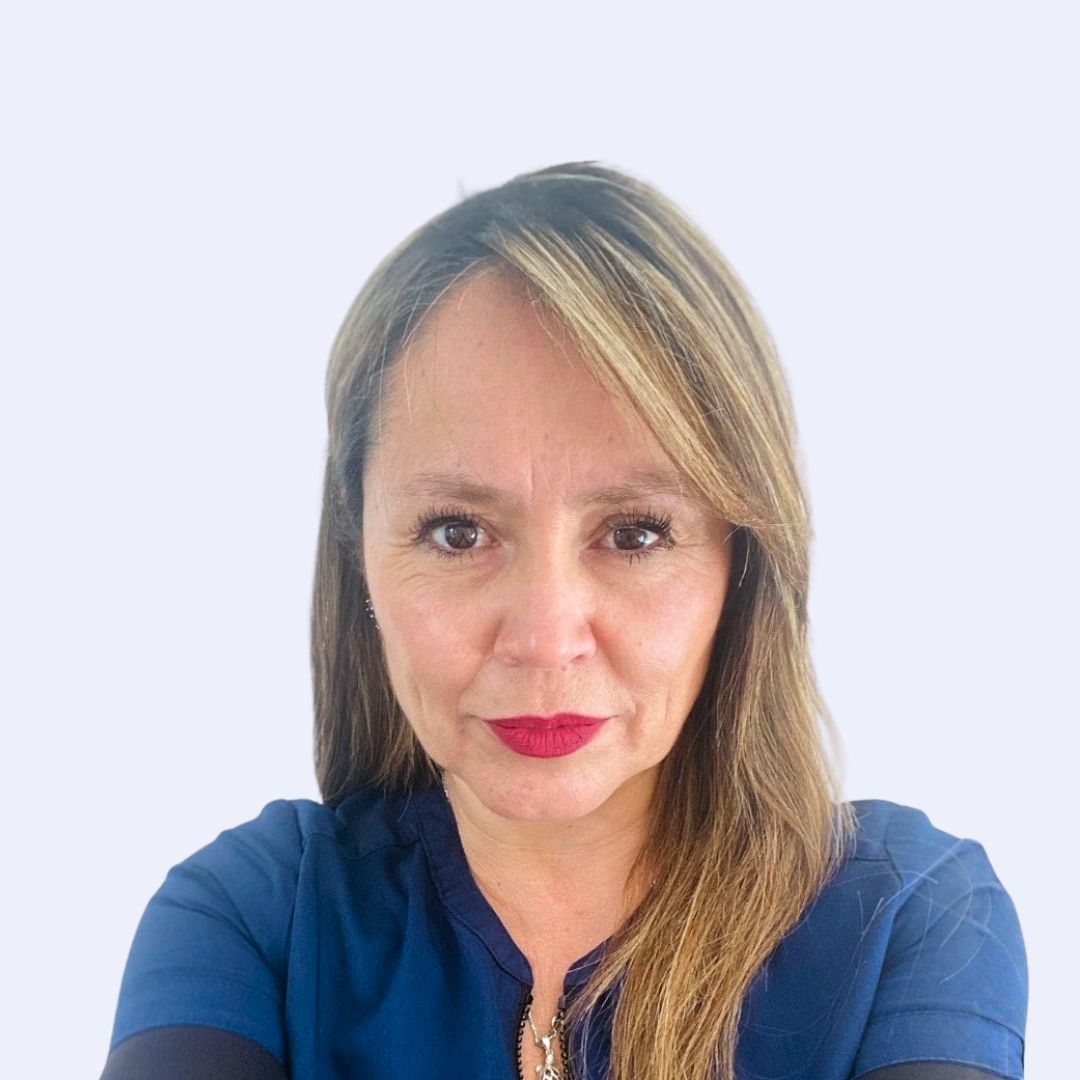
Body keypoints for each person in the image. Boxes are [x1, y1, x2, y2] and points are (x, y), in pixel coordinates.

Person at [100, 162, 1027, 1080]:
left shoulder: (909, 921)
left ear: (742, 562)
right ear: (360, 555)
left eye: (635, 533)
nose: (545, 642)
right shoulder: (253, 919)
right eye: (458, 532)